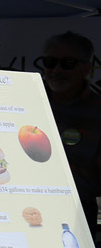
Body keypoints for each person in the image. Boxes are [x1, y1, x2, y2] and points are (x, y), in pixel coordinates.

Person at [37, 31, 101, 237]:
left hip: (76, 214)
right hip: (25, 204)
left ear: (86, 68)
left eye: (68, 63)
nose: (56, 70)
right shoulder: (27, 100)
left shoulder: (98, 110)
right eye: (50, 62)